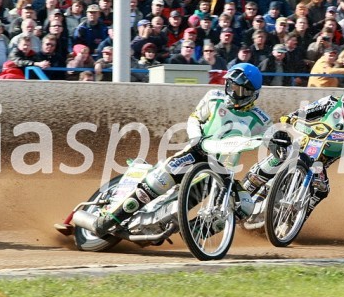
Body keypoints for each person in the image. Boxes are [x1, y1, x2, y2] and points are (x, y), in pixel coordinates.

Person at [91, 63, 271, 237]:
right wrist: (197, 138)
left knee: (244, 206)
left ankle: (191, 235)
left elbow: (271, 137)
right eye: (230, 85)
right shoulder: (213, 98)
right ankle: (112, 217)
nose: (231, 91)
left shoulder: (261, 119)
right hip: (197, 153)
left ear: (250, 93)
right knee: (159, 179)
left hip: (223, 170)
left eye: (238, 89)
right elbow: (194, 119)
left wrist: (281, 141)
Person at [241, 81, 344, 219]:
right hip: (301, 146)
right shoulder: (331, 102)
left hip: (319, 163)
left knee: (322, 189)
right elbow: (303, 112)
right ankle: (242, 192)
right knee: (280, 155)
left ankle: (294, 219)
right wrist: (290, 117)